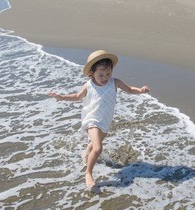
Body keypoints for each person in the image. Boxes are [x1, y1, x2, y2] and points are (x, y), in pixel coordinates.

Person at [49, 50, 150, 188]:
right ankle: (88, 173)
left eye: (108, 74)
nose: (105, 78)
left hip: (105, 120)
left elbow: (130, 89)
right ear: (92, 73)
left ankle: (85, 155)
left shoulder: (114, 82)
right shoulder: (89, 85)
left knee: (93, 145)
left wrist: (141, 90)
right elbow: (78, 96)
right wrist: (62, 97)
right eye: (100, 75)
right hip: (92, 119)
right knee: (98, 147)